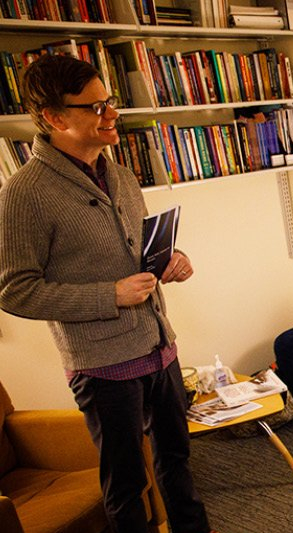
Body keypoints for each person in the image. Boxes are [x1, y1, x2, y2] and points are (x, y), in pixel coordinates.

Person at [0, 56, 215, 532]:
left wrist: (170, 260)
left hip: (160, 347)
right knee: (125, 483)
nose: (112, 115)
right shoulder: (24, 193)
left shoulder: (118, 173)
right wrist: (109, 296)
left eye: (110, 102)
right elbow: (15, 291)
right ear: (54, 118)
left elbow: (131, 253)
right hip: (103, 365)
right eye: (96, 107)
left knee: (178, 462)